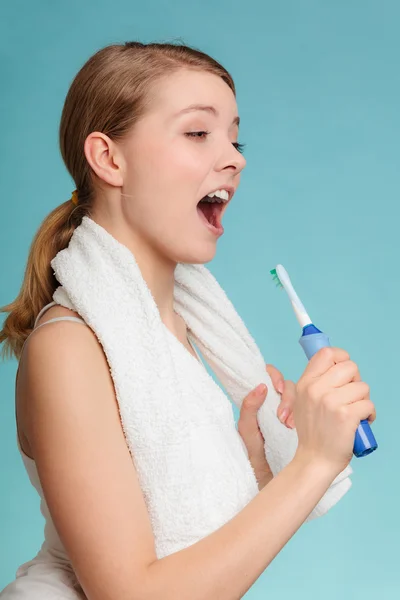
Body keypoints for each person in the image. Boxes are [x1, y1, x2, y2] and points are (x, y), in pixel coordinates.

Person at [0, 41, 376, 599]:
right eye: (198, 133)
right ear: (109, 159)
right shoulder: (69, 348)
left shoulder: (177, 335)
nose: (235, 157)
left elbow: (187, 546)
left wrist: (255, 472)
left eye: (234, 137)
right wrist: (313, 463)